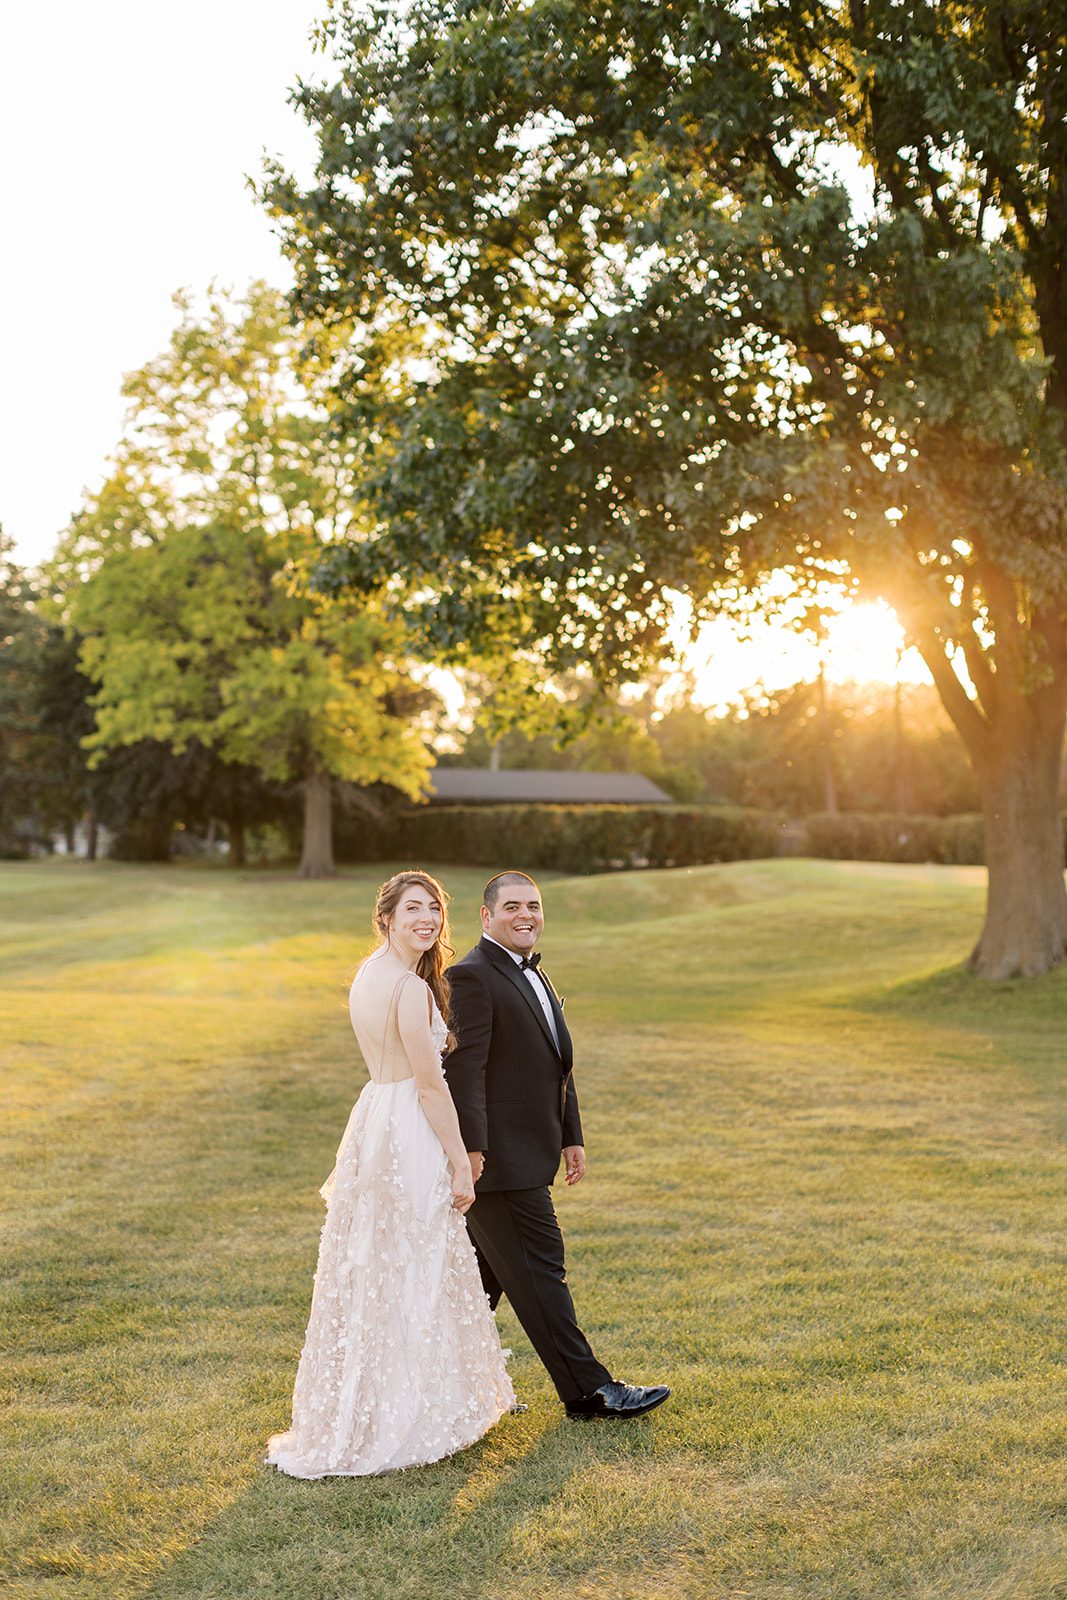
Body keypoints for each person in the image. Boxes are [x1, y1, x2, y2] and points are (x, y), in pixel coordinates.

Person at [267, 870, 515, 1478]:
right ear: (387, 918)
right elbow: (432, 1086)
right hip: (406, 1122)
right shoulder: (408, 989)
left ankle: (373, 1404)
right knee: (416, 1261)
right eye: (414, 909)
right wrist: (461, 1161)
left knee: (377, 1262)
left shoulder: (368, 974)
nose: (427, 920)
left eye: (434, 909)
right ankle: (412, 1411)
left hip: (374, 1115)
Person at [444, 870, 670, 1420]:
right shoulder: (471, 976)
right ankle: (589, 1392)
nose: (527, 915)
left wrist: (572, 1135)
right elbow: (464, 1072)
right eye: (513, 906)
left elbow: (555, 1065)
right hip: (498, 1163)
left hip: (532, 1151)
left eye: (535, 906)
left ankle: (435, 1391)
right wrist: (472, 1153)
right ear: (486, 916)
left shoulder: (533, 972)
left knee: (474, 1288)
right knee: (542, 1271)